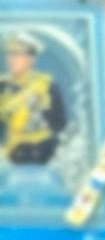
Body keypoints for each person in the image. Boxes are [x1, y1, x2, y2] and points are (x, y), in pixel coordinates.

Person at [0, 31, 67, 165]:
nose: (11, 59)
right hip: (9, 157)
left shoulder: (47, 86)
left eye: (17, 54)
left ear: (31, 59)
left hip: (44, 153)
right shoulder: (3, 86)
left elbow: (59, 124)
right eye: (9, 54)